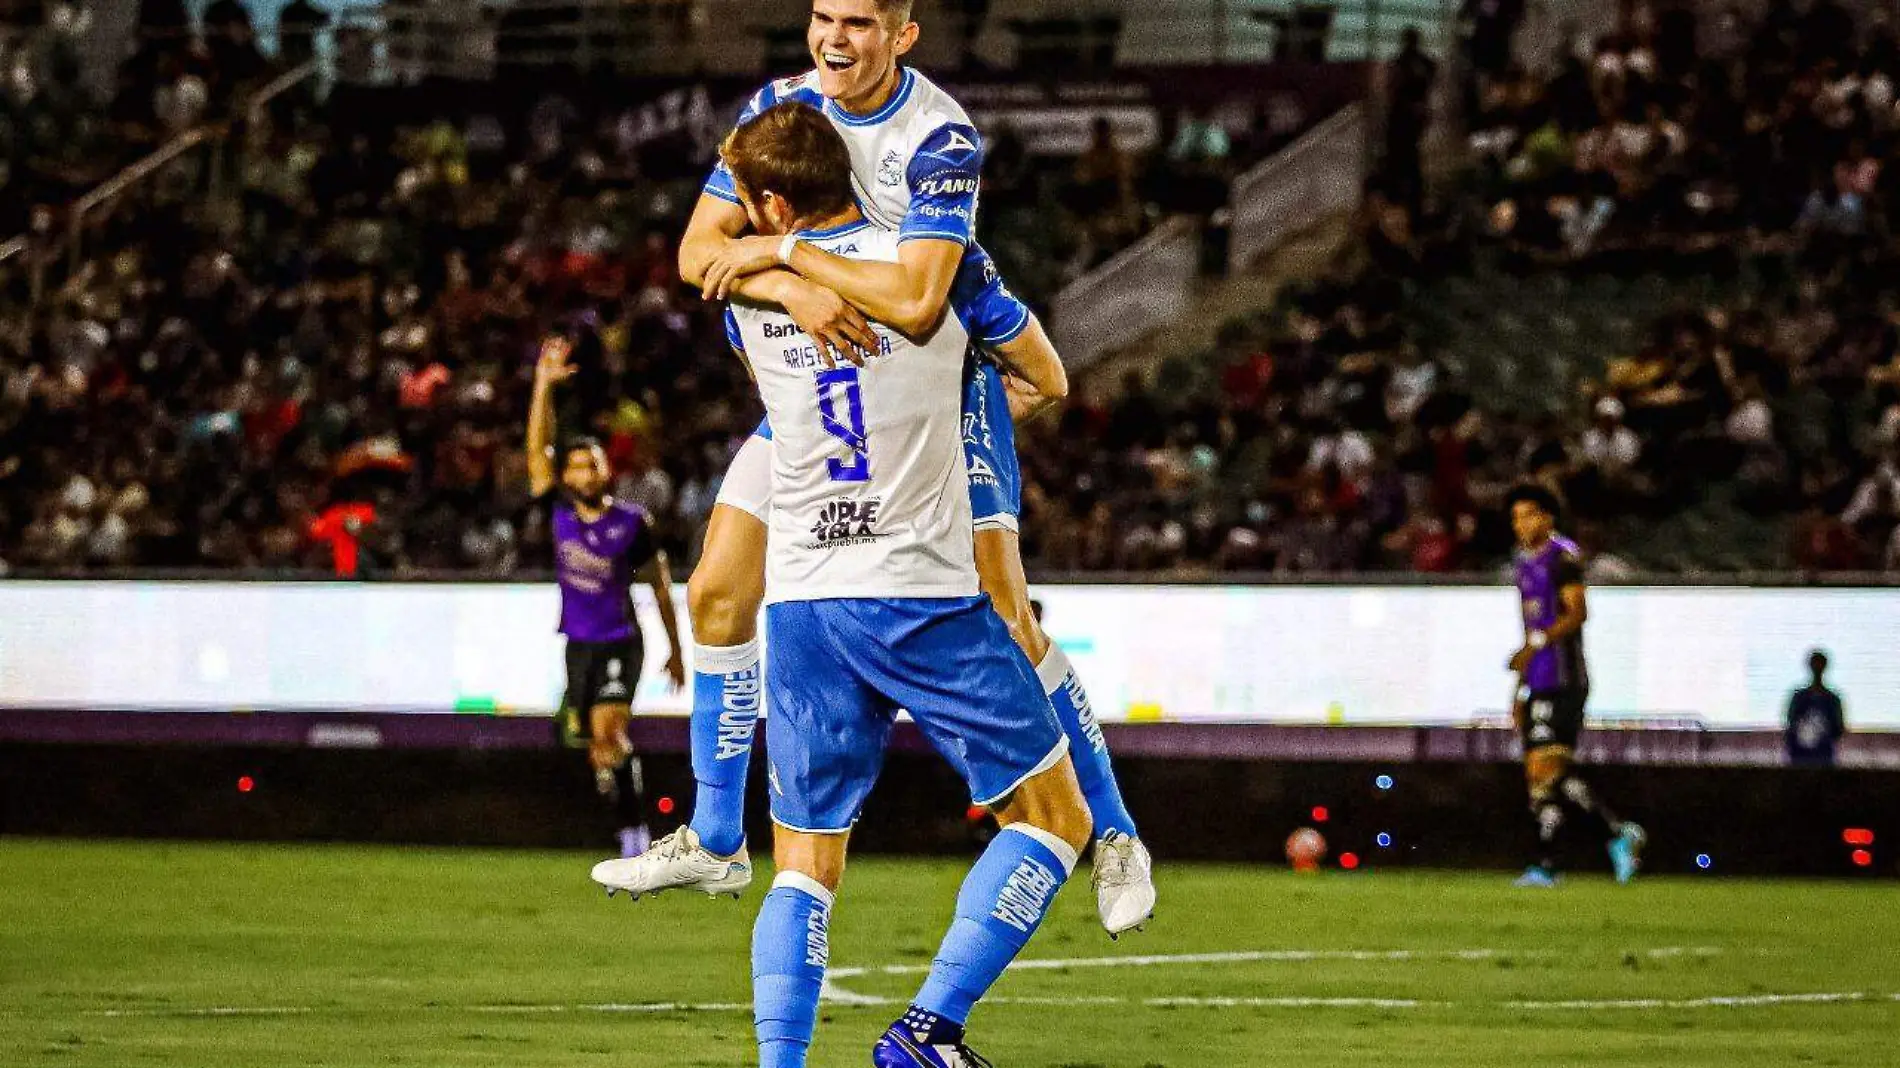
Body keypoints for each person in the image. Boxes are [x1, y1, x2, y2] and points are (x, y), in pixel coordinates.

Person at [600, 0, 1155, 934]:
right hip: (823, 383)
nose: (834, 39)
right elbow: (700, 252)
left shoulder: (938, 133)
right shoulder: (777, 106)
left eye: (859, 21)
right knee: (716, 593)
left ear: (903, 34)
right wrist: (794, 289)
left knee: (1005, 609)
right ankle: (712, 837)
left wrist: (778, 256)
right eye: (822, 16)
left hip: (939, 382)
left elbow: (922, 293)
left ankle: (1114, 834)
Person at [705, 103, 1094, 1068]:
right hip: (920, 592)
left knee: (803, 861)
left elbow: (726, 262)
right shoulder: (940, 266)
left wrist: (778, 262)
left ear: (772, 203)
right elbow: (1046, 375)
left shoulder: (748, 296)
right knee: (1054, 819)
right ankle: (929, 1030)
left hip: (800, 603)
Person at [527, 336, 686, 858]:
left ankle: (635, 835)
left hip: (621, 641)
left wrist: (676, 649)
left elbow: (659, 586)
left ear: (606, 471)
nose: (582, 474)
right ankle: (622, 809)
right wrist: (542, 387)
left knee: (610, 733)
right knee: (595, 748)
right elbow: (536, 452)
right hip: (579, 644)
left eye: (591, 464)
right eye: (574, 466)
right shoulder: (558, 512)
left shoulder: (631, 524)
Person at [1505, 484, 1645, 887]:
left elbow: (1578, 612)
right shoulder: (1522, 563)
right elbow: (1529, 628)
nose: (1521, 524)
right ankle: (1614, 835)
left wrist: (1535, 647)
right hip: (1538, 680)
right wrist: (1519, 689)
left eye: (1529, 514)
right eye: (1516, 517)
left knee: (1545, 770)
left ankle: (1551, 862)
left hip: (1566, 680)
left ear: (1547, 518)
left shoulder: (1562, 558)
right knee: (1542, 779)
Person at [1786, 650, 1846, 767]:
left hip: (1818, 756)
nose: (1817, 668)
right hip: (1808, 756)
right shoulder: (1831, 699)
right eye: (1816, 664)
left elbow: (1791, 724)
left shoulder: (1830, 699)